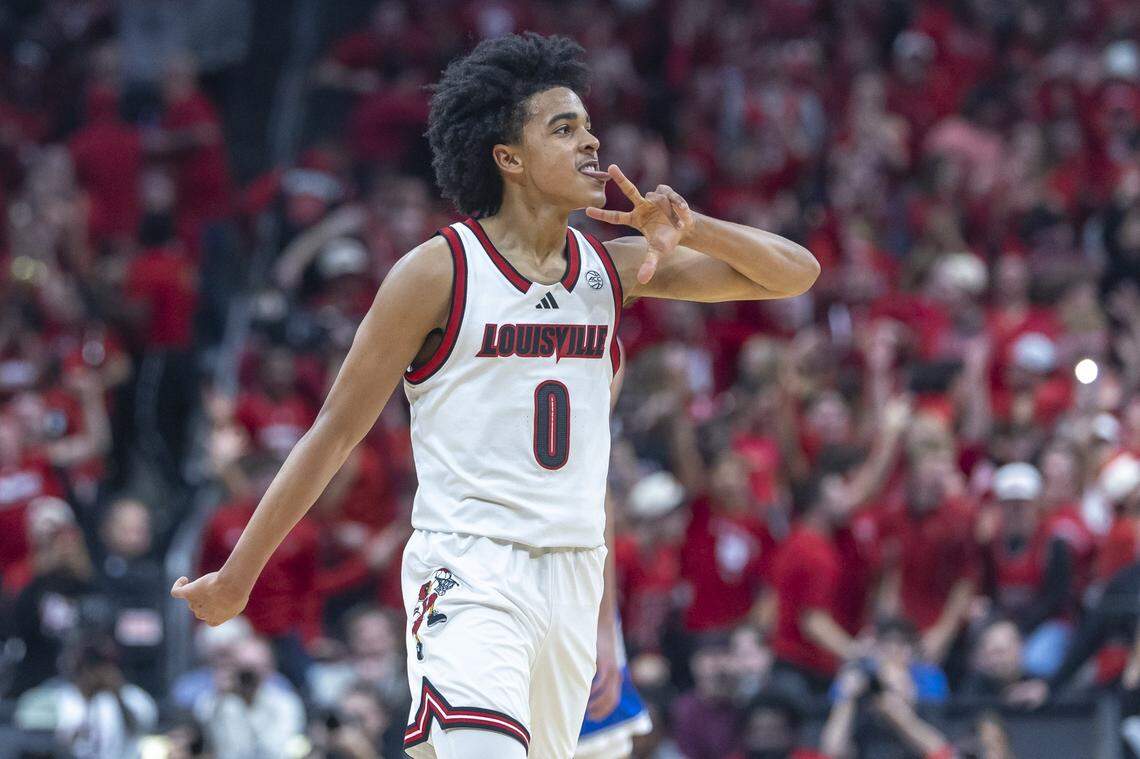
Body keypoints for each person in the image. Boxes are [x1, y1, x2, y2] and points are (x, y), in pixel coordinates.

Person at [172, 32, 818, 759]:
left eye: (589, 126)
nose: (592, 143)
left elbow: (794, 272)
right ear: (508, 158)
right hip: (472, 567)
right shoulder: (438, 271)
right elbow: (333, 432)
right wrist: (237, 577)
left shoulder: (612, 266)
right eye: (564, 128)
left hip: (572, 569)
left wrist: (696, 226)